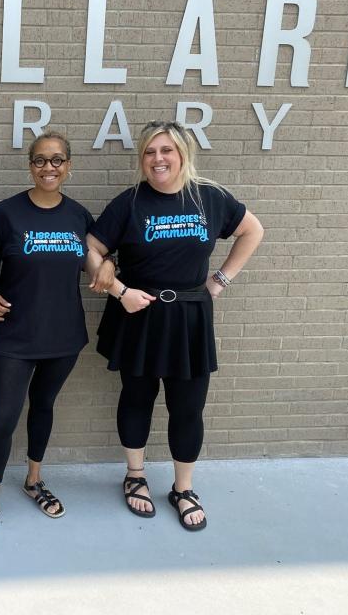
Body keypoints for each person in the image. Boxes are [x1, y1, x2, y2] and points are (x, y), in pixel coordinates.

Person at [87, 120, 264, 532]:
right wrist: (118, 289)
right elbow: (91, 248)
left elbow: (253, 230)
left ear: (183, 153)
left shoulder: (210, 198)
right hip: (139, 315)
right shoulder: (129, 202)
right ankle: (135, 475)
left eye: (166, 150)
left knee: (188, 406)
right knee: (137, 399)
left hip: (190, 318)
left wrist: (220, 280)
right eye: (150, 152)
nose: (158, 159)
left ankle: (183, 488)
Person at [0, 131, 105, 546]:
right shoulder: (6, 214)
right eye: (40, 160)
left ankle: (34, 480)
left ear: (69, 166)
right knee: (3, 419)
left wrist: (108, 263)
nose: (49, 168)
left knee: (43, 407)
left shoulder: (78, 216)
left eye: (57, 160)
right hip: (15, 337)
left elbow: (98, 256)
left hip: (63, 335)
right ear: (30, 165)